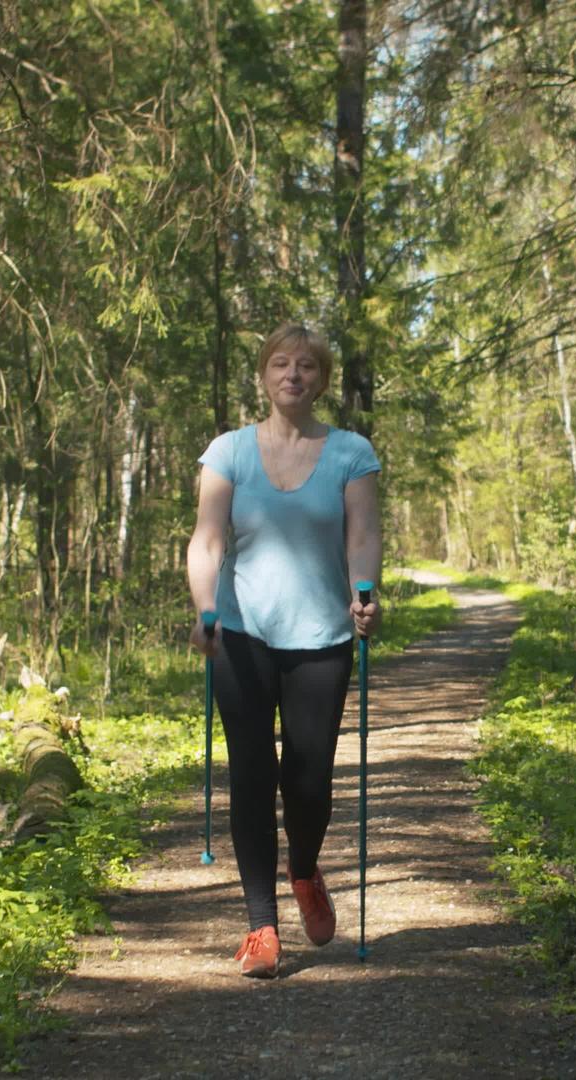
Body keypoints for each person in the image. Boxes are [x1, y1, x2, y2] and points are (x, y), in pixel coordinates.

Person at [186, 323, 382, 979]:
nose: (292, 374)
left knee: (309, 776)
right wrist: (206, 607)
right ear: (264, 377)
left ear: (321, 380)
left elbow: (361, 536)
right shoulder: (228, 453)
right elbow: (207, 540)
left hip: (322, 635)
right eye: (280, 363)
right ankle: (261, 928)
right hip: (240, 632)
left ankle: (303, 867)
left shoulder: (351, 452)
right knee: (251, 772)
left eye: (305, 366)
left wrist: (365, 592)